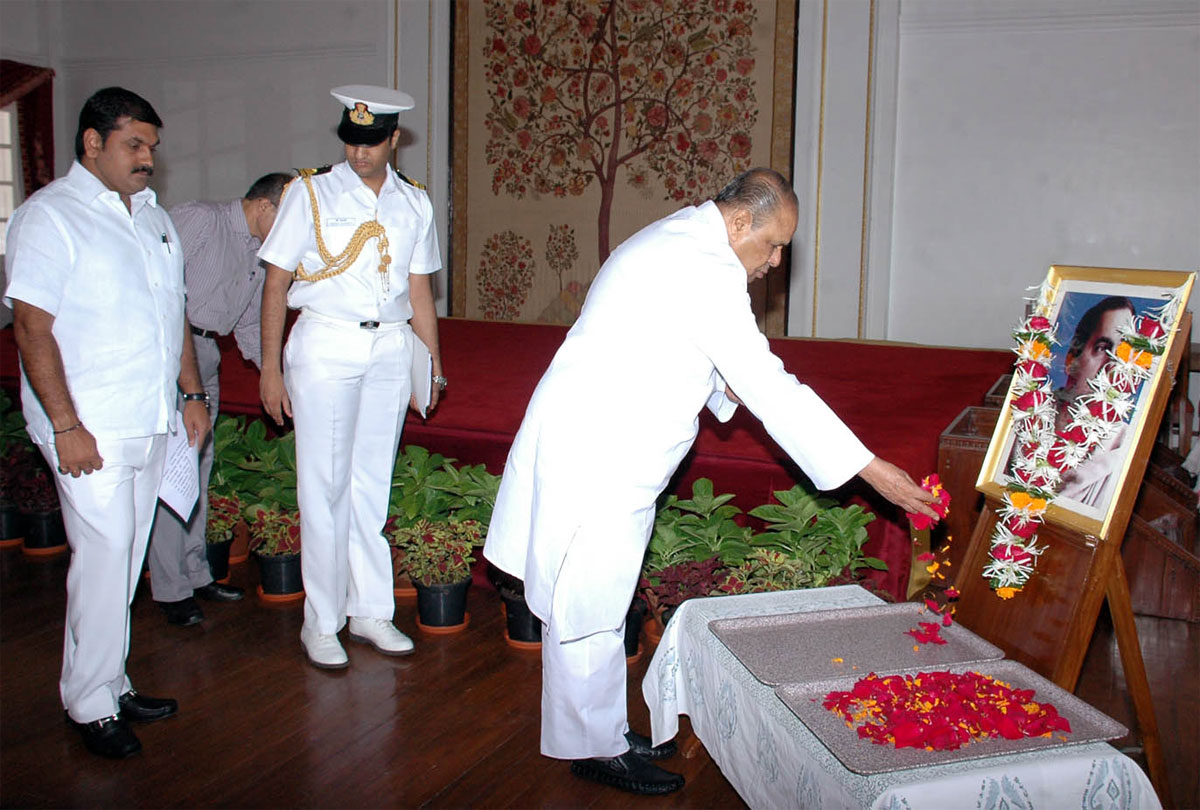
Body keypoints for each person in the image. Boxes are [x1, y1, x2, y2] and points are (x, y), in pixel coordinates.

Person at [483, 168, 939, 796]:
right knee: (589, 606)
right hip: (601, 452)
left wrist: (722, 382)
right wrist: (869, 468)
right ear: (740, 221)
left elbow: (681, 348)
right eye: (775, 243)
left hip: (600, 443)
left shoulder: (684, 238)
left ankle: (596, 731)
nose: (778, 261)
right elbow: (767, 382)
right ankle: (594, 748)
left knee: (596, 601)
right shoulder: (702, 264)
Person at [3, 87, 210, 759]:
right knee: (103, 557)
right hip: (87, 425)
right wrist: (65, 425)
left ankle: (110, 680)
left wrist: (191, 394)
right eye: (134, 144)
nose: (148, 158)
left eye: (152, 145)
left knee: (121, 561)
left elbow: (173, 314)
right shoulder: (49, 217)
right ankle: (89, 702)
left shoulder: (153, 218)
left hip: (149, 418)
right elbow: (32, 327)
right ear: (92, 143)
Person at [258, 85, 444, 669]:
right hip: (326, 340)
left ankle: (369, 611)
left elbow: (419, 290)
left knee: (370, 484)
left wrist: (432, 363)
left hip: (390, 344)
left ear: (393, 139)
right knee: (325, 486)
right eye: (350, 140)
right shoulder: (309, 191)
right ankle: (322, 620)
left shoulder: (413, 202)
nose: (359, 152)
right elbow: (275, 282)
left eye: (370, 142)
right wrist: (269, 368)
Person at [147, 172, 294, 626]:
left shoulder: (261, 253)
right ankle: (170, 590)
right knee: (173, 473)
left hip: (209, 356)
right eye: (288, 219)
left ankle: (196, 574)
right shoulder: (199, 220)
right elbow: (157, 287)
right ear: (265, 207)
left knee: (197, 470)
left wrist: (280, 380)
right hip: (172, 353)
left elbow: (250, 326)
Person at [1054, 296, 1136, 509]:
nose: (1114, 363)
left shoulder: (1122, 444)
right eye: (1102, 348)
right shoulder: (1031, 419)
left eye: (1123, 352)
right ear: (1071, 360)